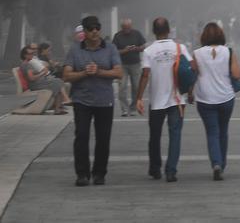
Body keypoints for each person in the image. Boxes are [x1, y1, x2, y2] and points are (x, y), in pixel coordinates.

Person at [63, 15, 123, 186]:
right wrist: (83, 73)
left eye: (97, 28)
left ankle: (99, 173)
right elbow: (66, 75)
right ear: (85, 31)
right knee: (81, 136)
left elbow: (118, 73)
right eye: (90, 28)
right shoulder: (75, 50)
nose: (94, 31)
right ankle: (82, 174)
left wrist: (99, 72)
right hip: (82, 100)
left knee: (103, 138)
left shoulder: (110, 49)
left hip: (104, 100)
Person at [134, 17, 190, 182]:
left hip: (156, 100)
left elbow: (145, 74)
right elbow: (191, 67)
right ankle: (171, 170)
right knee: (175, 135)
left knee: (155, 135)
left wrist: (138, 98)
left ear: (153, 31)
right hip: (177, 99)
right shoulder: (180, 48)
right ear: (169, 30)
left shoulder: (149, 51)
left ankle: (155, 168)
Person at [191, 22, 240, 181]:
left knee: (212, 132)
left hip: (205, 98)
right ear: (221, 35)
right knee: (223, 131)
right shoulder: (229, 52)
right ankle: (222, 164)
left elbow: (193, 75)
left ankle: (216, 163)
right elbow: (237, 74)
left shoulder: (197, 54)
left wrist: (190, 92)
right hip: (226, 97)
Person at [112, 19, 146, 117]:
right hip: (122, 64)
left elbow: (143, 46)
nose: (127, 30)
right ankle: (124, 109)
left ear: (131, 26)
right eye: (124, 28)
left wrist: (137, 48)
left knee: (136, 86)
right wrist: (124, 50)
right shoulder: (117, 36)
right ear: (121, 28)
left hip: (135, 64)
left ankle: (133, 107)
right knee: (122, 87)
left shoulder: (137, 34)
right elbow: (114, 52)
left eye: (128, 28)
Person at [20, 46, 68, 114]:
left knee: (57, 82)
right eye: (30, 54)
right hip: (35, 85)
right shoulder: (26, 65)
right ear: (25, 55)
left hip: (38, 83)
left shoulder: (27, 64)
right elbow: (32, 78)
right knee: (58, 82)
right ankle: (61, 104)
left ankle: (59, 107)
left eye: (33, 53)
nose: (32, 55)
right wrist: (42, 73)